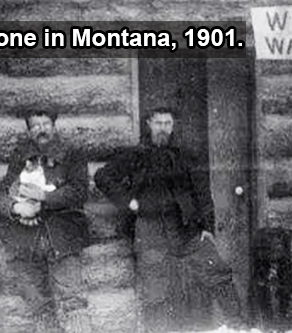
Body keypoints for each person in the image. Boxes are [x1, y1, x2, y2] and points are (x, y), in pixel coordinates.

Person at [94, 107, 242, 332]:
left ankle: (238, 327)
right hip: (149, 228)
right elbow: (102, 176)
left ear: (173, 127)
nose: (163, 128)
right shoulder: (135, 155)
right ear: (149, 124)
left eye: (168, 123)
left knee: (218, 273)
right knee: (155, 290)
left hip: (185, 226)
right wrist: (128, 202)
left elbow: (202, 192)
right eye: (158, 123)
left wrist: (207, 226)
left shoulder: (185, 156)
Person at [0, 108, 89, 332]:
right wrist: (16, 208)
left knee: (73, 301)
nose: (41, 129)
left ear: (54, 126)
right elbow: (2, 192)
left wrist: (44, 197)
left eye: (45, 123)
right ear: (29, 132)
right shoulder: (20, 158)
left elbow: (78, 192)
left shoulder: (73, 154)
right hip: (27, 241)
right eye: (35, 126)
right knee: (39, 306)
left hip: (62, 236)